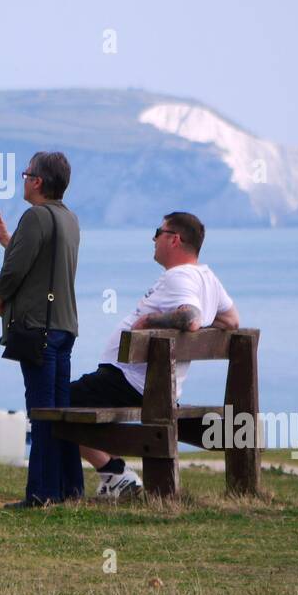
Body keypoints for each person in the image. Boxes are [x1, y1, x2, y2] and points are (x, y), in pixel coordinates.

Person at [69, 211, 239, 498]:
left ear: (174, 239)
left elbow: (191, 318)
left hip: (131, 383)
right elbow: (232, 321)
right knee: (63, 402)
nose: (153, 239)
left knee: (50, 402)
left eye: (157, 232)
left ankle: (113, 472)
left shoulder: (180, 277)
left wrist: (150, 321)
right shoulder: (206, 277)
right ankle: (110, 473)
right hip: (154, 386)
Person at [0, 151, 80, 508]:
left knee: (40, 410)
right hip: (64, 325)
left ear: (37, 181)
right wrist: (8, 240)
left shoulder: (35, 216)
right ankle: (69, 487)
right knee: (61, 411)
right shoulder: (69, 219)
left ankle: (41, 493)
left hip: (39, 328)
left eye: (26, 174)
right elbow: (41, 262)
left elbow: (18, 270)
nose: (23, 179)